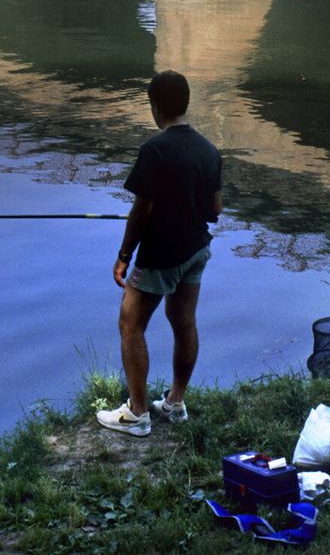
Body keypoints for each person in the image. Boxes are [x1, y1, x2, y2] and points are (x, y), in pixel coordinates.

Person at [95, 70, 223, 436]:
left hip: (161, 254)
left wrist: (123, 255)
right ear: (185, 104)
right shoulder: (209, 150)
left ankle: (137, 414)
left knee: (130, 323)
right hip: (197, 249)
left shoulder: (155, 150)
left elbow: (141, 211)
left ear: (155, 107)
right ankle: (175, 403)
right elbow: (216, 209)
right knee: (184, 322)